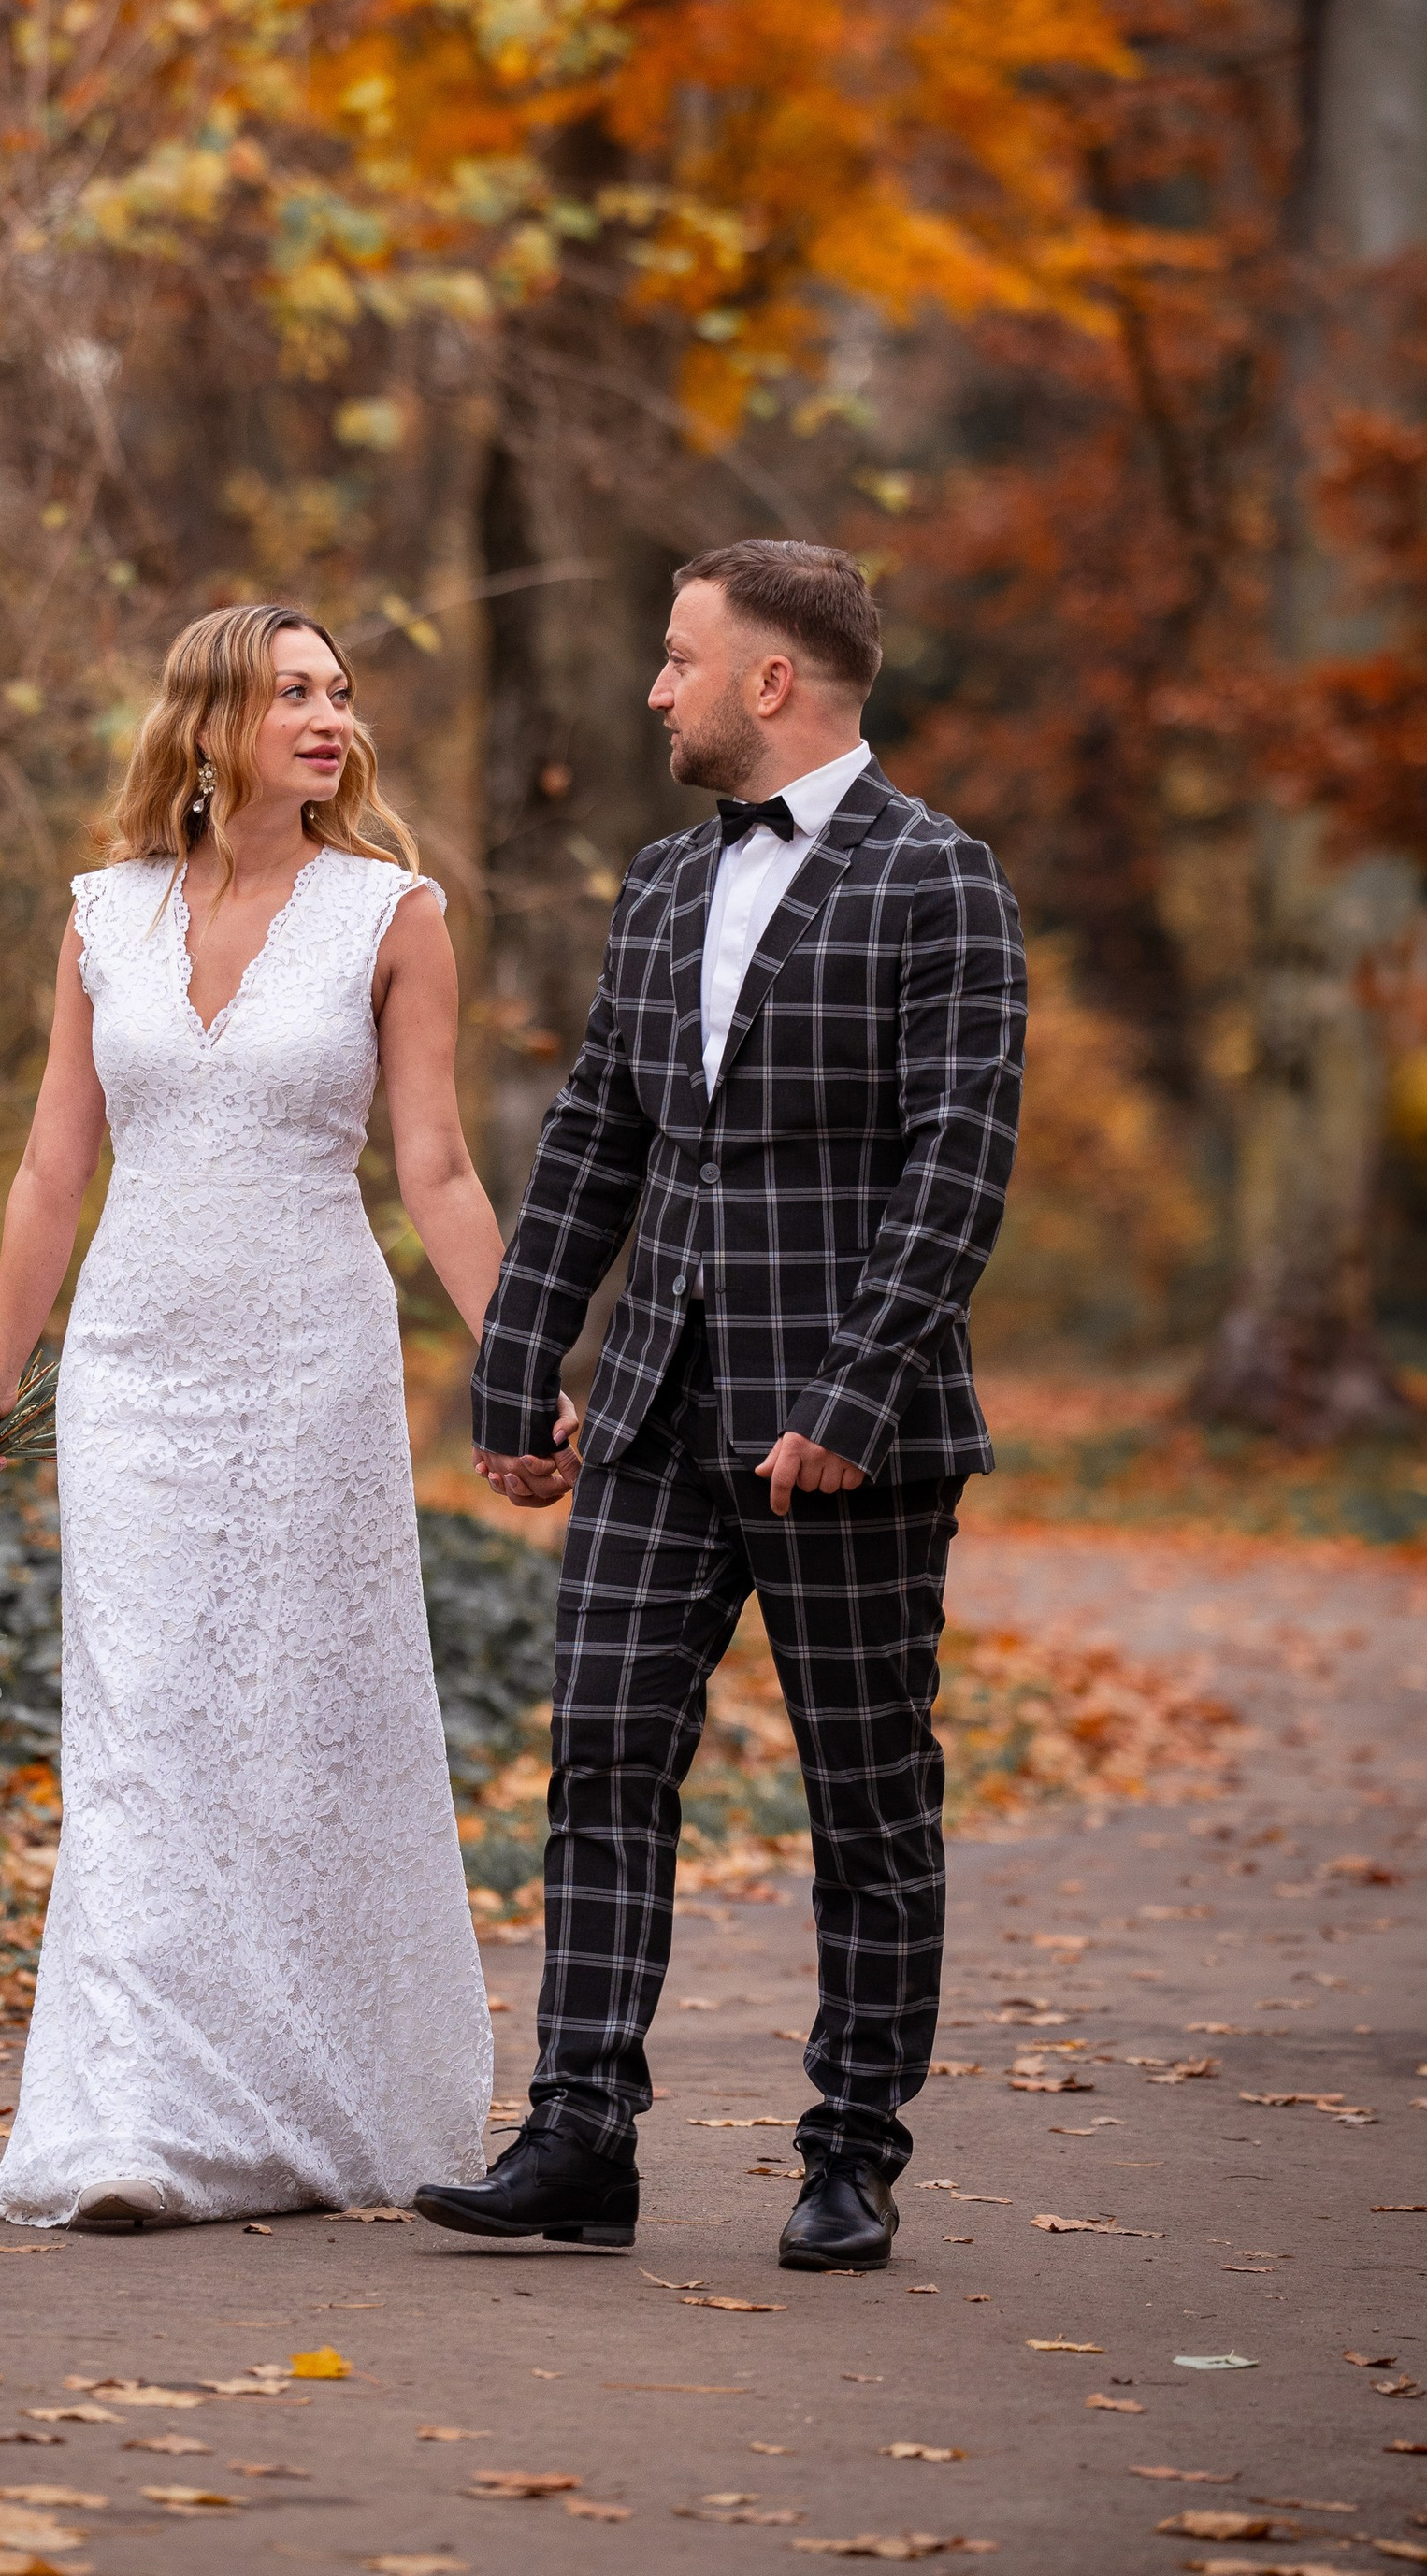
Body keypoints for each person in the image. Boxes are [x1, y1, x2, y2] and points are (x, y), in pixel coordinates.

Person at [413, 540, 1024, 2272]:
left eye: (680, 660)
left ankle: (852, 2158)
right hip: (656, 1412)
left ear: (773, 681)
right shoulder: (665, 883)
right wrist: (520, 1361)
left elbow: (954, 1173)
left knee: (867, 1799)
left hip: (846, 1432)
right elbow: (597, 1140)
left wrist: (855, 1391)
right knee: (602, 1756)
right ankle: (579, 2139)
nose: (655, 689)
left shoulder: (941, 882)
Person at [0, 601, 506, 2230]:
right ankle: (128, 2125)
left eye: (337, 692)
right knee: (139, 1733)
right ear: (208, 723)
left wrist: (526, 1358)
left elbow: (440, 1169)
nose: (327, 718)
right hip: (130, 1369)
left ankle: (313, 2100)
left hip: (314, 1367)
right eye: (289, 694)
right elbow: (56, 1163)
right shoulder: (100, 918)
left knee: (298, 1731)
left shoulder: (395, 917)